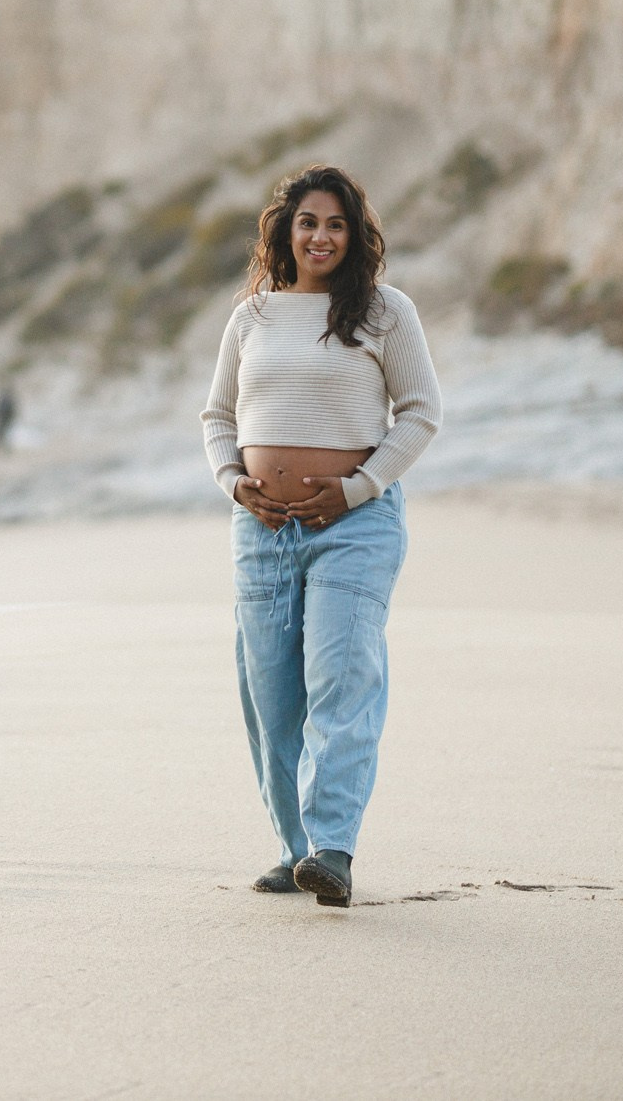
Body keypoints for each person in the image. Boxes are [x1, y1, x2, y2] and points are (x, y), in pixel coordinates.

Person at [198, 164, 440, 909]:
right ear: (286, 231)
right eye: (308, 222)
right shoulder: (253, 316)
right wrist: (234, 481)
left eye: (335, 223)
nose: (321, 235)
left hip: (355, 527)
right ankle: (294, 845)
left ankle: (332, 847)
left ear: (354, 233)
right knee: (270, 692)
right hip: (261, 529)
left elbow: (421, 412)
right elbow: (218, 418)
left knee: (341, 676)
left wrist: (358, 489)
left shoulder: (385, 312)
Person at [0, 380, 19, 452]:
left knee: (4, 434)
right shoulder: (4, 400)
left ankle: (1, 448)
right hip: (3, 419)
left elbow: (12, 410)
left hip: (5, 419)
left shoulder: (7, 400)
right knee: (0, 434)